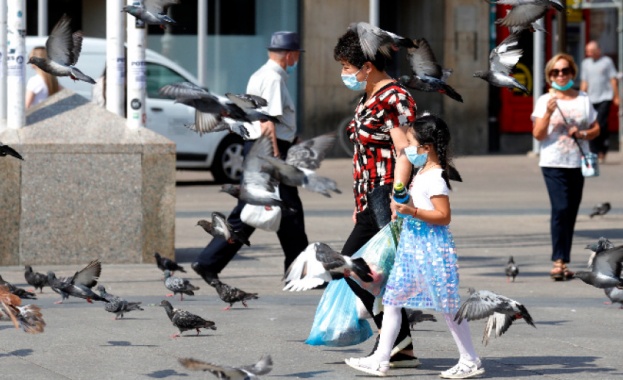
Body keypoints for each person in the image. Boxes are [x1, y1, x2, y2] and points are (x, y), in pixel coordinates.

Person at [345, 113, 484, 379]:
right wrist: (404, 206)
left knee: (448, 305)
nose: (406, 149)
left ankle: (470, 359)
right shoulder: (423, 171)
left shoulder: (436, 177)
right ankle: (381, 360)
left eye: (410, 143)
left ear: (426, 147)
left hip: (431, 249)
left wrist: (412, 209)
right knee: (393, 300)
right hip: (413, 246)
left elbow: (444, 216)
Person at [191, 31, 308, 281]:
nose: (297, 58)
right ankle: (298, 273)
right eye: (297, 53)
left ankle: (208, 262)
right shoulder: (274, 78)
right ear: (289, 54)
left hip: (259, 148)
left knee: (261, 212)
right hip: (267, 150)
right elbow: (267, 122)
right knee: (288, 210)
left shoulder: (260, 74)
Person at [333, 29, 419, 368]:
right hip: (370, 198)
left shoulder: (394, 97)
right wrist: (360, 206)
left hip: (387, 195)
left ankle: (394, 345)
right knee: (363, 270)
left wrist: (398, 199)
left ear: (367, 66)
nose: (344, 73)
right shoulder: (368, 96)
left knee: (357, 269)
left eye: (346, 66)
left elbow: (405, 150)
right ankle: (400, 345)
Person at [532, 53, 600, 281]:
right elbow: (538, 135)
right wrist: (549, 112)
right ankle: (557, 261)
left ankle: (564, 261)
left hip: (577, 162)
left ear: (572, 73)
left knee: (571, 212)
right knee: (560, 209)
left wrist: (582, 133)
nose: (560, 75)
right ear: (549, 76)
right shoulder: (544, 100)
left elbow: (596, 128)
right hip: (553, 162)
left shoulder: (583, 98)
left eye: (565, 71)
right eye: (555, 72)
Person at [580, 41, 619, 163]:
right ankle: (595, 150)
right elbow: (584, 82)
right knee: (592, 123)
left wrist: (616, 96)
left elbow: (613, 79)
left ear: (598, 50)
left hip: (605, 97)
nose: (588, 53)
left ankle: (602, 149)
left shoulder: (607, 62)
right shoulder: (585, 63)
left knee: (600, 122)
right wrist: (580, 97)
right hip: (591, 98)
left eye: (591, 51)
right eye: (587, 51)